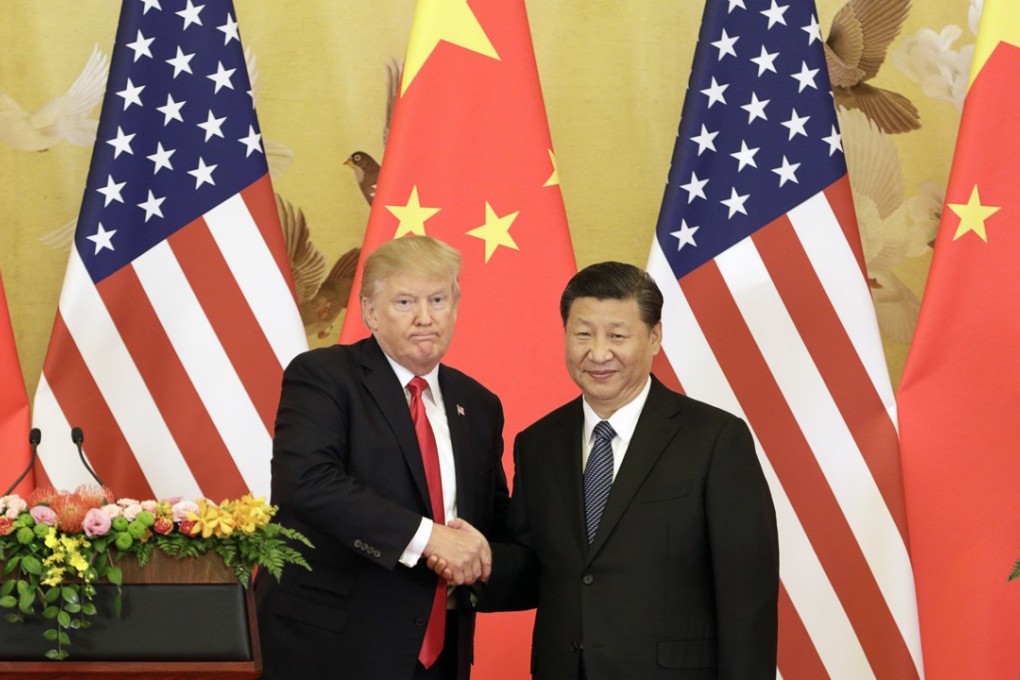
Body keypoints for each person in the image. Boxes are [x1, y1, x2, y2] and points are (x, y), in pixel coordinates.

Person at [463, 261, 779, 679]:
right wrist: (475, 563)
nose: (597, 353)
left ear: (654, 337)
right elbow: (536, 567)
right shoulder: (538, 443)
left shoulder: (716, 439)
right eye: (582, 334)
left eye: (617, 335)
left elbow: (747, 598)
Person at [255, 235, 507, 680]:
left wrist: (484, 554)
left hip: (440, 653)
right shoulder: (324, 377)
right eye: (405, 301)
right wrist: (429, 538)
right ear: (370, 311)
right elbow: (308, 483)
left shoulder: (480, 404)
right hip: (333, 648)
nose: (425, 318)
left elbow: (491, 520)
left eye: (438, 299)